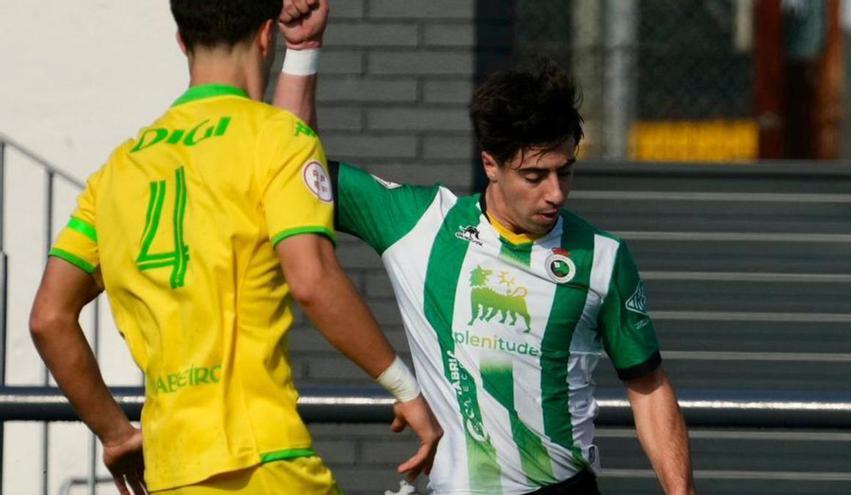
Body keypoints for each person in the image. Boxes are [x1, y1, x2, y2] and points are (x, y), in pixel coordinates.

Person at [274, 2, 696, 494]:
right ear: (491, 164)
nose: (556, 192)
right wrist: (302, 50)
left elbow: (648, 386)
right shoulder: (420, 225)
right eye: (535, 176)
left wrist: (679, 490)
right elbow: (293, 168)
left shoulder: (602, 257)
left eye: (566, 171)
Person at [28, 1, 442, 494]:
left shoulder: (117, 170)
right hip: (264, 462)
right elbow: (311, 280)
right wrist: (406, 389)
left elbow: (48, 318)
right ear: (266, 36)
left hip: (170, 470)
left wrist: (115, 432)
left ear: (182, 41)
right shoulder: (275, 139)